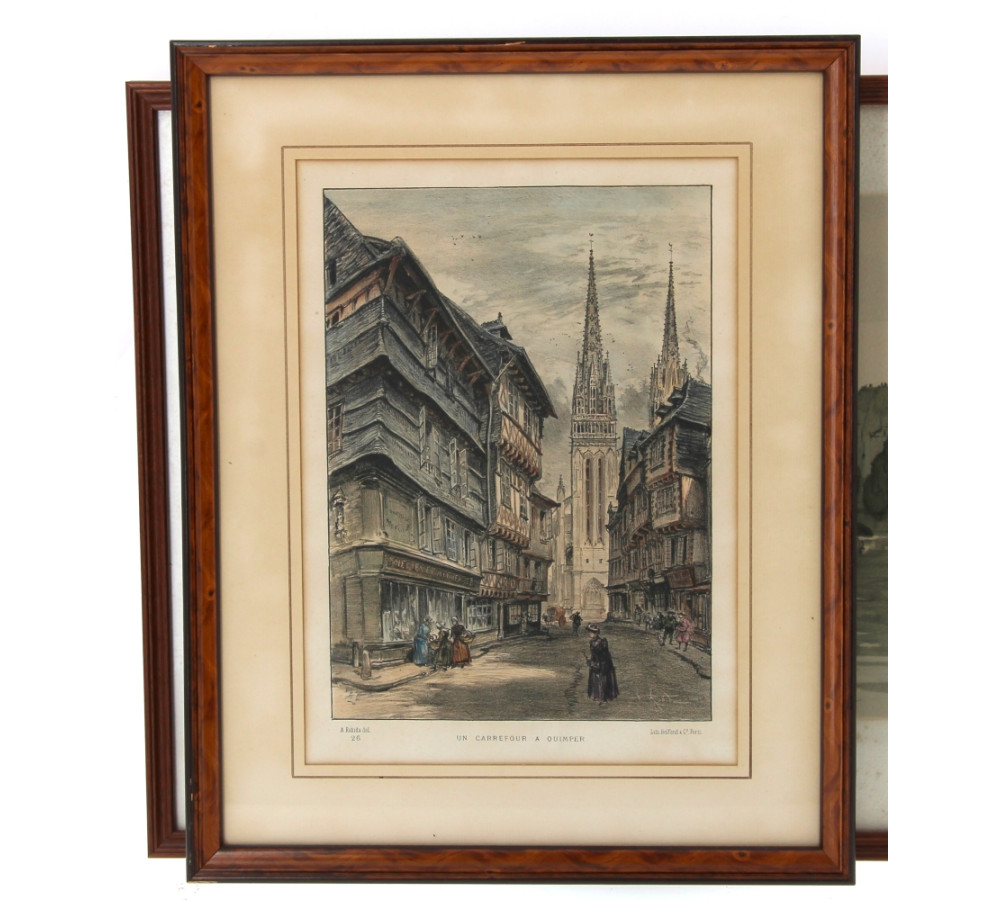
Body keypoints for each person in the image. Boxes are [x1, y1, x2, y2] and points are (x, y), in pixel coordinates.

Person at [586, 624, 619, 703]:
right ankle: (596, 696)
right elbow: (593, 654)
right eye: (589, 632)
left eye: (591, 632)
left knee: (602, 680)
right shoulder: (591, 642)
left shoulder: (602, 642)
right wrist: (590, 661)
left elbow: (605, 655)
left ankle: (603, 697)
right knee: (595, 680)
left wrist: (599, 665)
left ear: (596, 633)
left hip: (603, 664)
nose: (589, 634)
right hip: (595, 663)